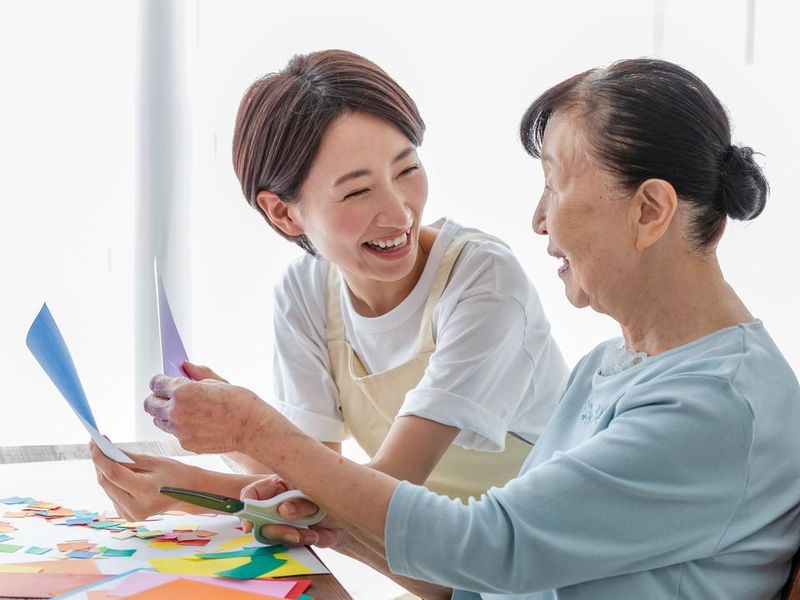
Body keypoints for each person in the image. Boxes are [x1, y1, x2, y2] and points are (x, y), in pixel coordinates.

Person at [131, 58, 800, 599]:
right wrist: (330, 529)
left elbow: (489, 547)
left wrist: (251, 432)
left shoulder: (718, 405)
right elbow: (478, 579)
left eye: (555, 185)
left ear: (650, 210)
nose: (539, 220)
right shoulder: (609, 364)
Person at [91, 49, 568, 521]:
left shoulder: (484, 281)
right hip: (433, 568)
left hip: (533, 571)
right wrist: (236, 436)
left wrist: (206, 468)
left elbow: (384, 490)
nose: (400, 212)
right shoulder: (305, 293)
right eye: (358, 191)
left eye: (407, 169)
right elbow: (317, 481)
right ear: (283, 212)